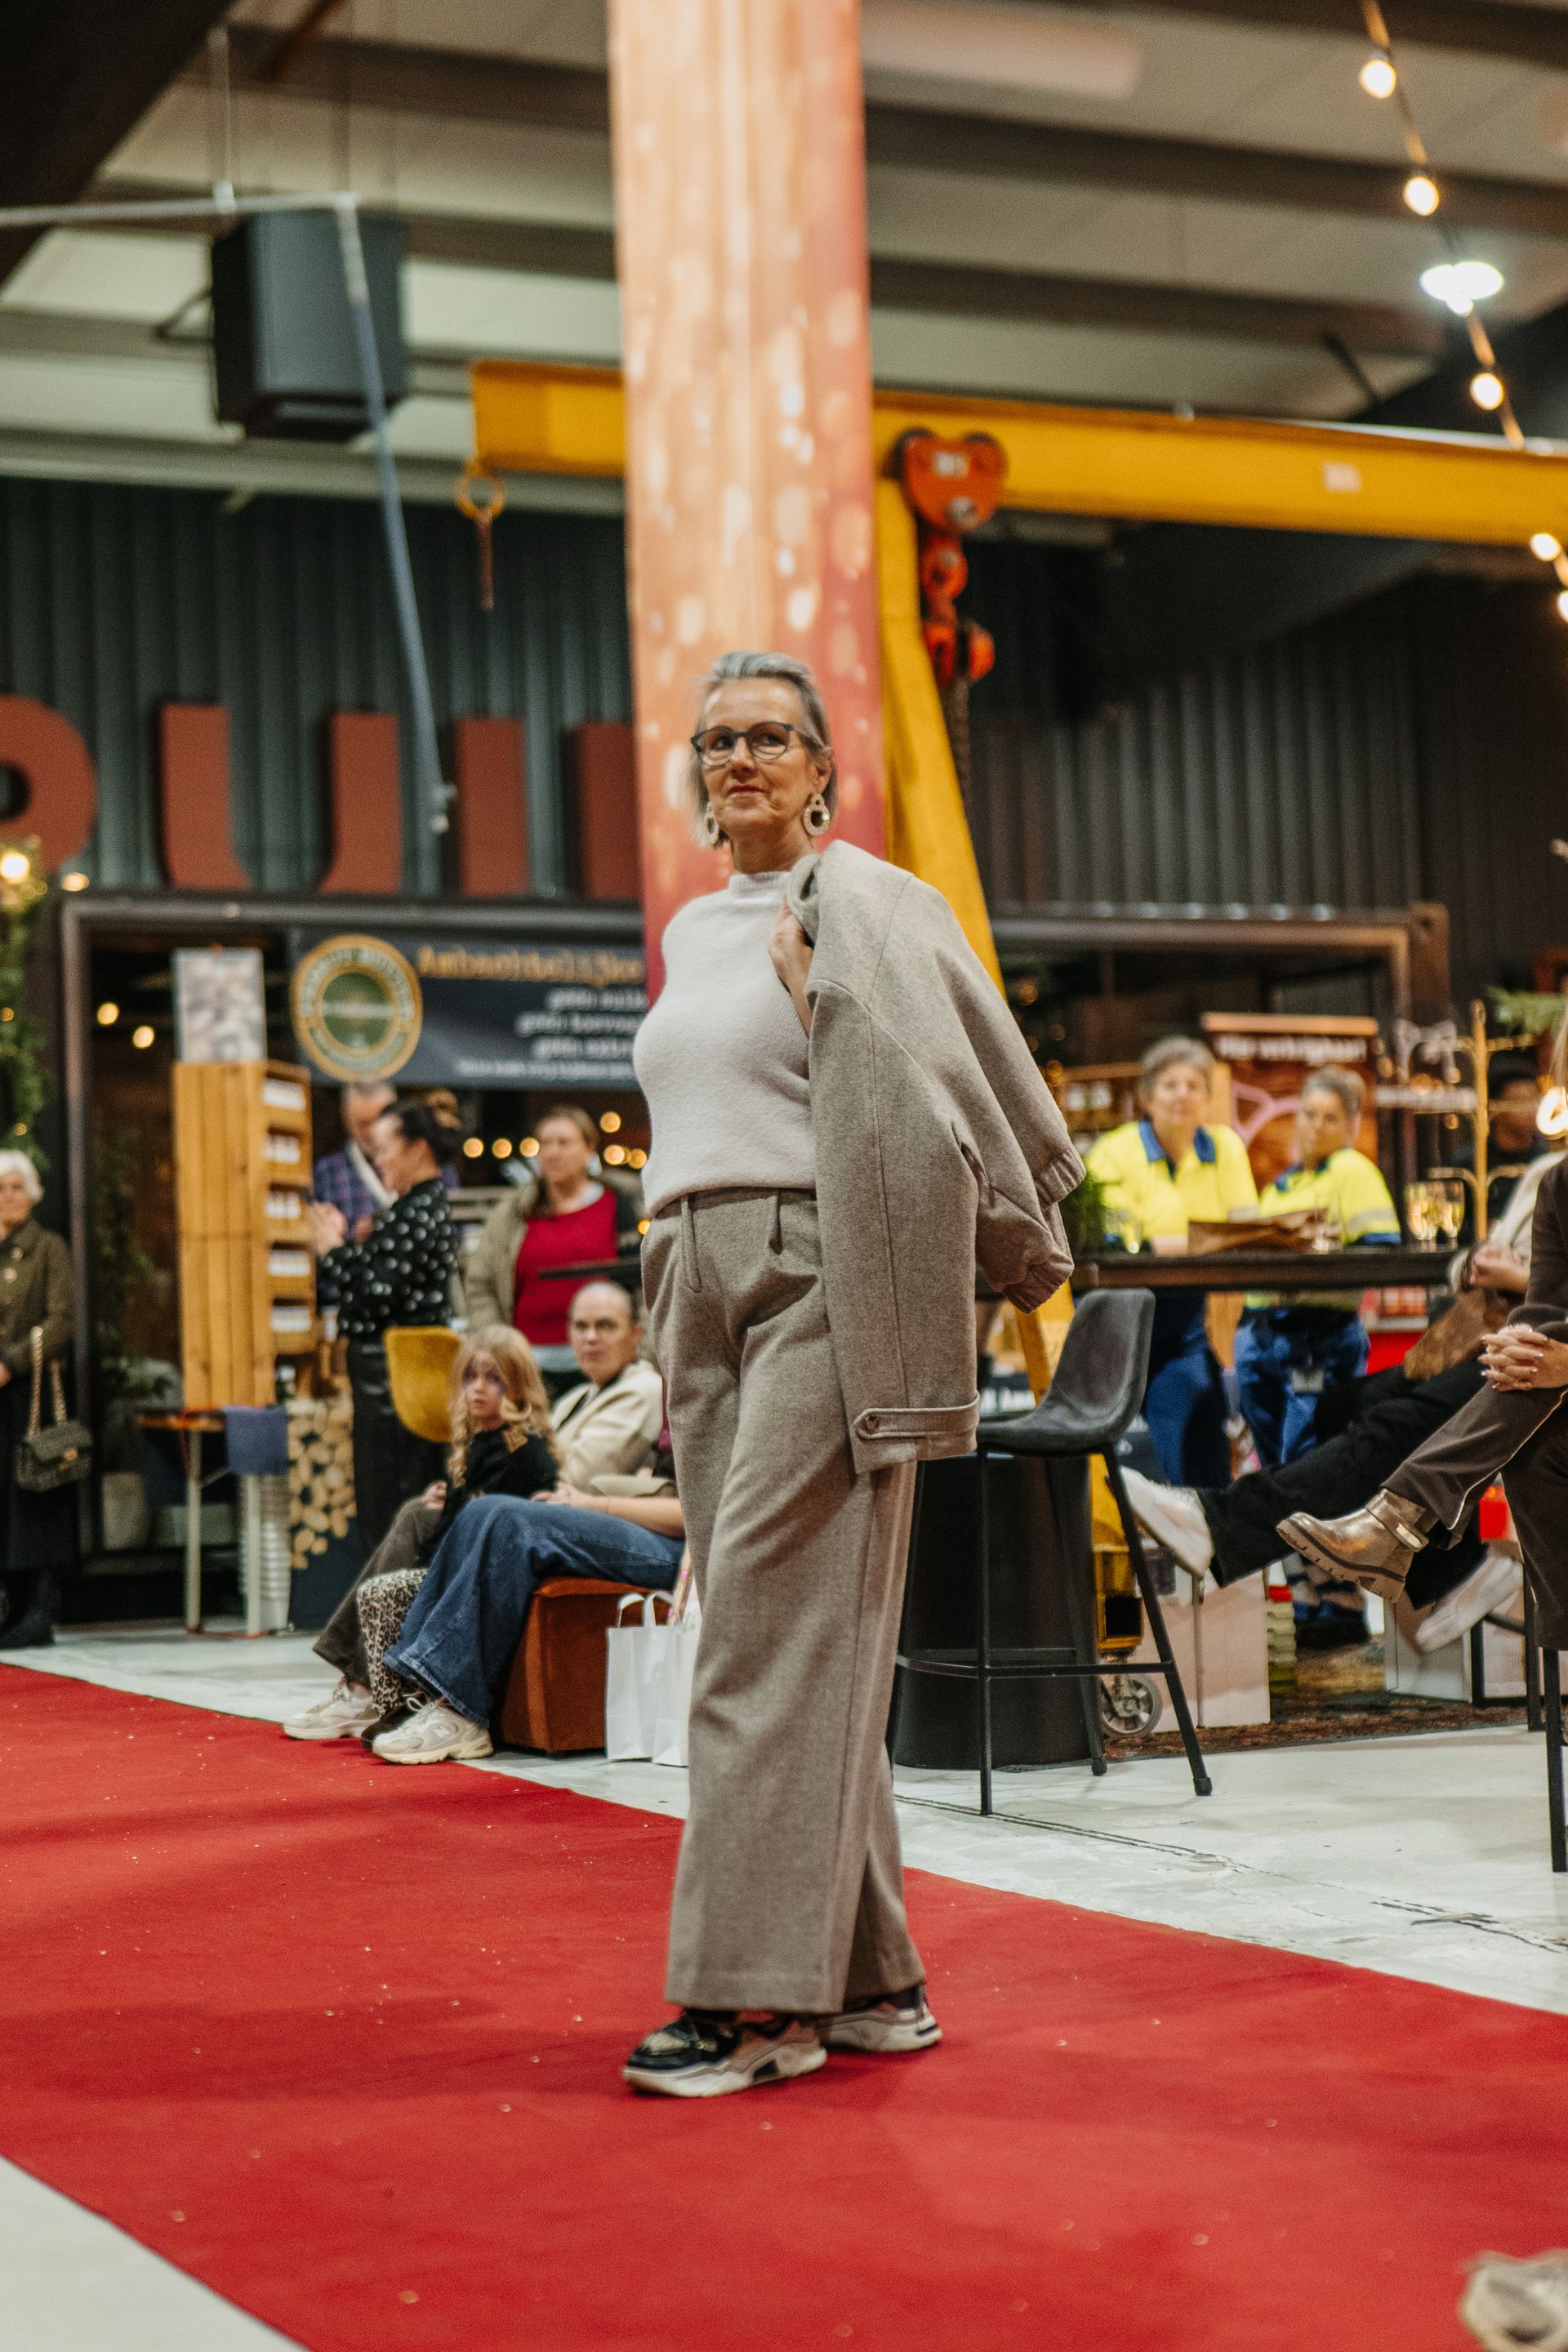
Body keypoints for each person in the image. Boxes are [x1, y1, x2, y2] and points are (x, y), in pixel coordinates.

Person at [621, 648, 1079, 2098]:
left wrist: (829, 1003)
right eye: (718, 741)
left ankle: (754, 2000)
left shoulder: (871, 902)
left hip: (823, 1270)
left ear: (824, 768)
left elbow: (961, 1086)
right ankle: (877, 1982)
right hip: (692, 1277)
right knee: (788, 1635)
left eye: (771, 736)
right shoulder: (693, 930)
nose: (739, 759)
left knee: (756, 1637)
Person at [1120, 1147, 1560, 1648]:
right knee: (1338, 1407)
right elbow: (1475, 1258)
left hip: (1544, 1362)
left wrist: (1517, 1280)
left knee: (1397, 1426)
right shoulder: (1546, 1173)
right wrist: (1474, 1266)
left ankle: (1220, 1524)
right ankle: (1442, 1569)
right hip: (1493, 1343)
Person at [1278, 1148, 1568, 1646]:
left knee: (1483, 1412)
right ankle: (1416, 1537)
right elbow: (1544, 1311)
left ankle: (1396, 1521)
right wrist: (1522, 1345)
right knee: (1533, 1444)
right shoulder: (1558, 1182)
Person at [282, 1326, 561, 1743]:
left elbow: (494, 1525)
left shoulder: (519, 1447)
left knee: (412, 1530)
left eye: (494, 1379)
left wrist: (454, 1507)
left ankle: (361, 1689)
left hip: (487, 1571)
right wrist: (452, 1499)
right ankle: (358, 1687)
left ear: (519, 1386)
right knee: (416, 1512)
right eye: (470, 1377)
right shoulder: (485, 1440)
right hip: (467, 1556)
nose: (478, 1389)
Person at [370, 1476, 685, 1764]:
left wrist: (593, 1503)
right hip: (658, 1521)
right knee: (481, 1509)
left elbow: (696, 1514)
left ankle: (459, 1708)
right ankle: (425, 1689)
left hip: (689, 1547)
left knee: (513, 1524)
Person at [1088, 1037, 1257, 1487]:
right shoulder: (1115, 1151)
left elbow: (1247, 1235)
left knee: (1201, 1467)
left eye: (1194, 1085)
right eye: (1169, 1085)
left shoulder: (1225, 1148)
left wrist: (1167, 1243)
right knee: (1110, 1473)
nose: (1182, 1094)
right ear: (1147, 1097)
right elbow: (1115, 1244)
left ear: (1207, 1097)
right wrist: (1198, 1241)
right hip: (1115, 1323)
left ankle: (1199, 1533)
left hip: (1183, 1325)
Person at [310, 1098, 461, 1553]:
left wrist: (332, 1247)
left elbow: (373, 1294)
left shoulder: (419, 1209)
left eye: (382, 1148)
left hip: (395, 1385)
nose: (375, 1161)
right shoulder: (413, 1207)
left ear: (418, 1149)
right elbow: (379, 1280)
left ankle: (397, 1598)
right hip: (390, 1381)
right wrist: (351, 1243)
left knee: (394, 1511)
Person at [1232, 1067, 1400, 1469]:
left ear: (1351, 1127)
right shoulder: (1283, 1185)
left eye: (1330, 1118)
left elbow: (1381, 1249)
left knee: (1307, 1461)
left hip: (1318, 1337)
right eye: (1309, 1114)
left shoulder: (1351, 1170)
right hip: (1261, 1335)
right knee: (1276, 1464)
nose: (1316, 1126)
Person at [464, 1107, 642, 1382]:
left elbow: (643, 1286)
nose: (552, 1153)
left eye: (563, 1143)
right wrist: (497, 1346)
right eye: (544, 1144)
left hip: (605, 1365)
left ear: (589, 1148)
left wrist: (641, 1351)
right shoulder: (514, 1213)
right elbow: (480, 1283)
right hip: (524, 1366)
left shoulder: (618, 1206)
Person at [0, 1155, 76, 1651]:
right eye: (0, 1188)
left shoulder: (48, 1247)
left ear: (32, 1194)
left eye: (16, 1187)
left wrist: (10, 1363)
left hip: (28, 1394)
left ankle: (38, 1611)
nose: (8, 1196)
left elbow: (61, 1321)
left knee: (32, 1497)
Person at [549, 1281, 665, 1487]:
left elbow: (578, 1480)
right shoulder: (575, 1397)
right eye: (581, 1326)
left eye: (605, 1325)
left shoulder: (644, 1389)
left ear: (635, 1334)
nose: (590, 1337)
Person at [312, 1082, 396, 1243]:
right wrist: (349, 1231)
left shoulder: (417, 1162)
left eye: (379, 1120)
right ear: (347, 1120)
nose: (372, 1132)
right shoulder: (328, 1171)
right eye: (363, 1123)